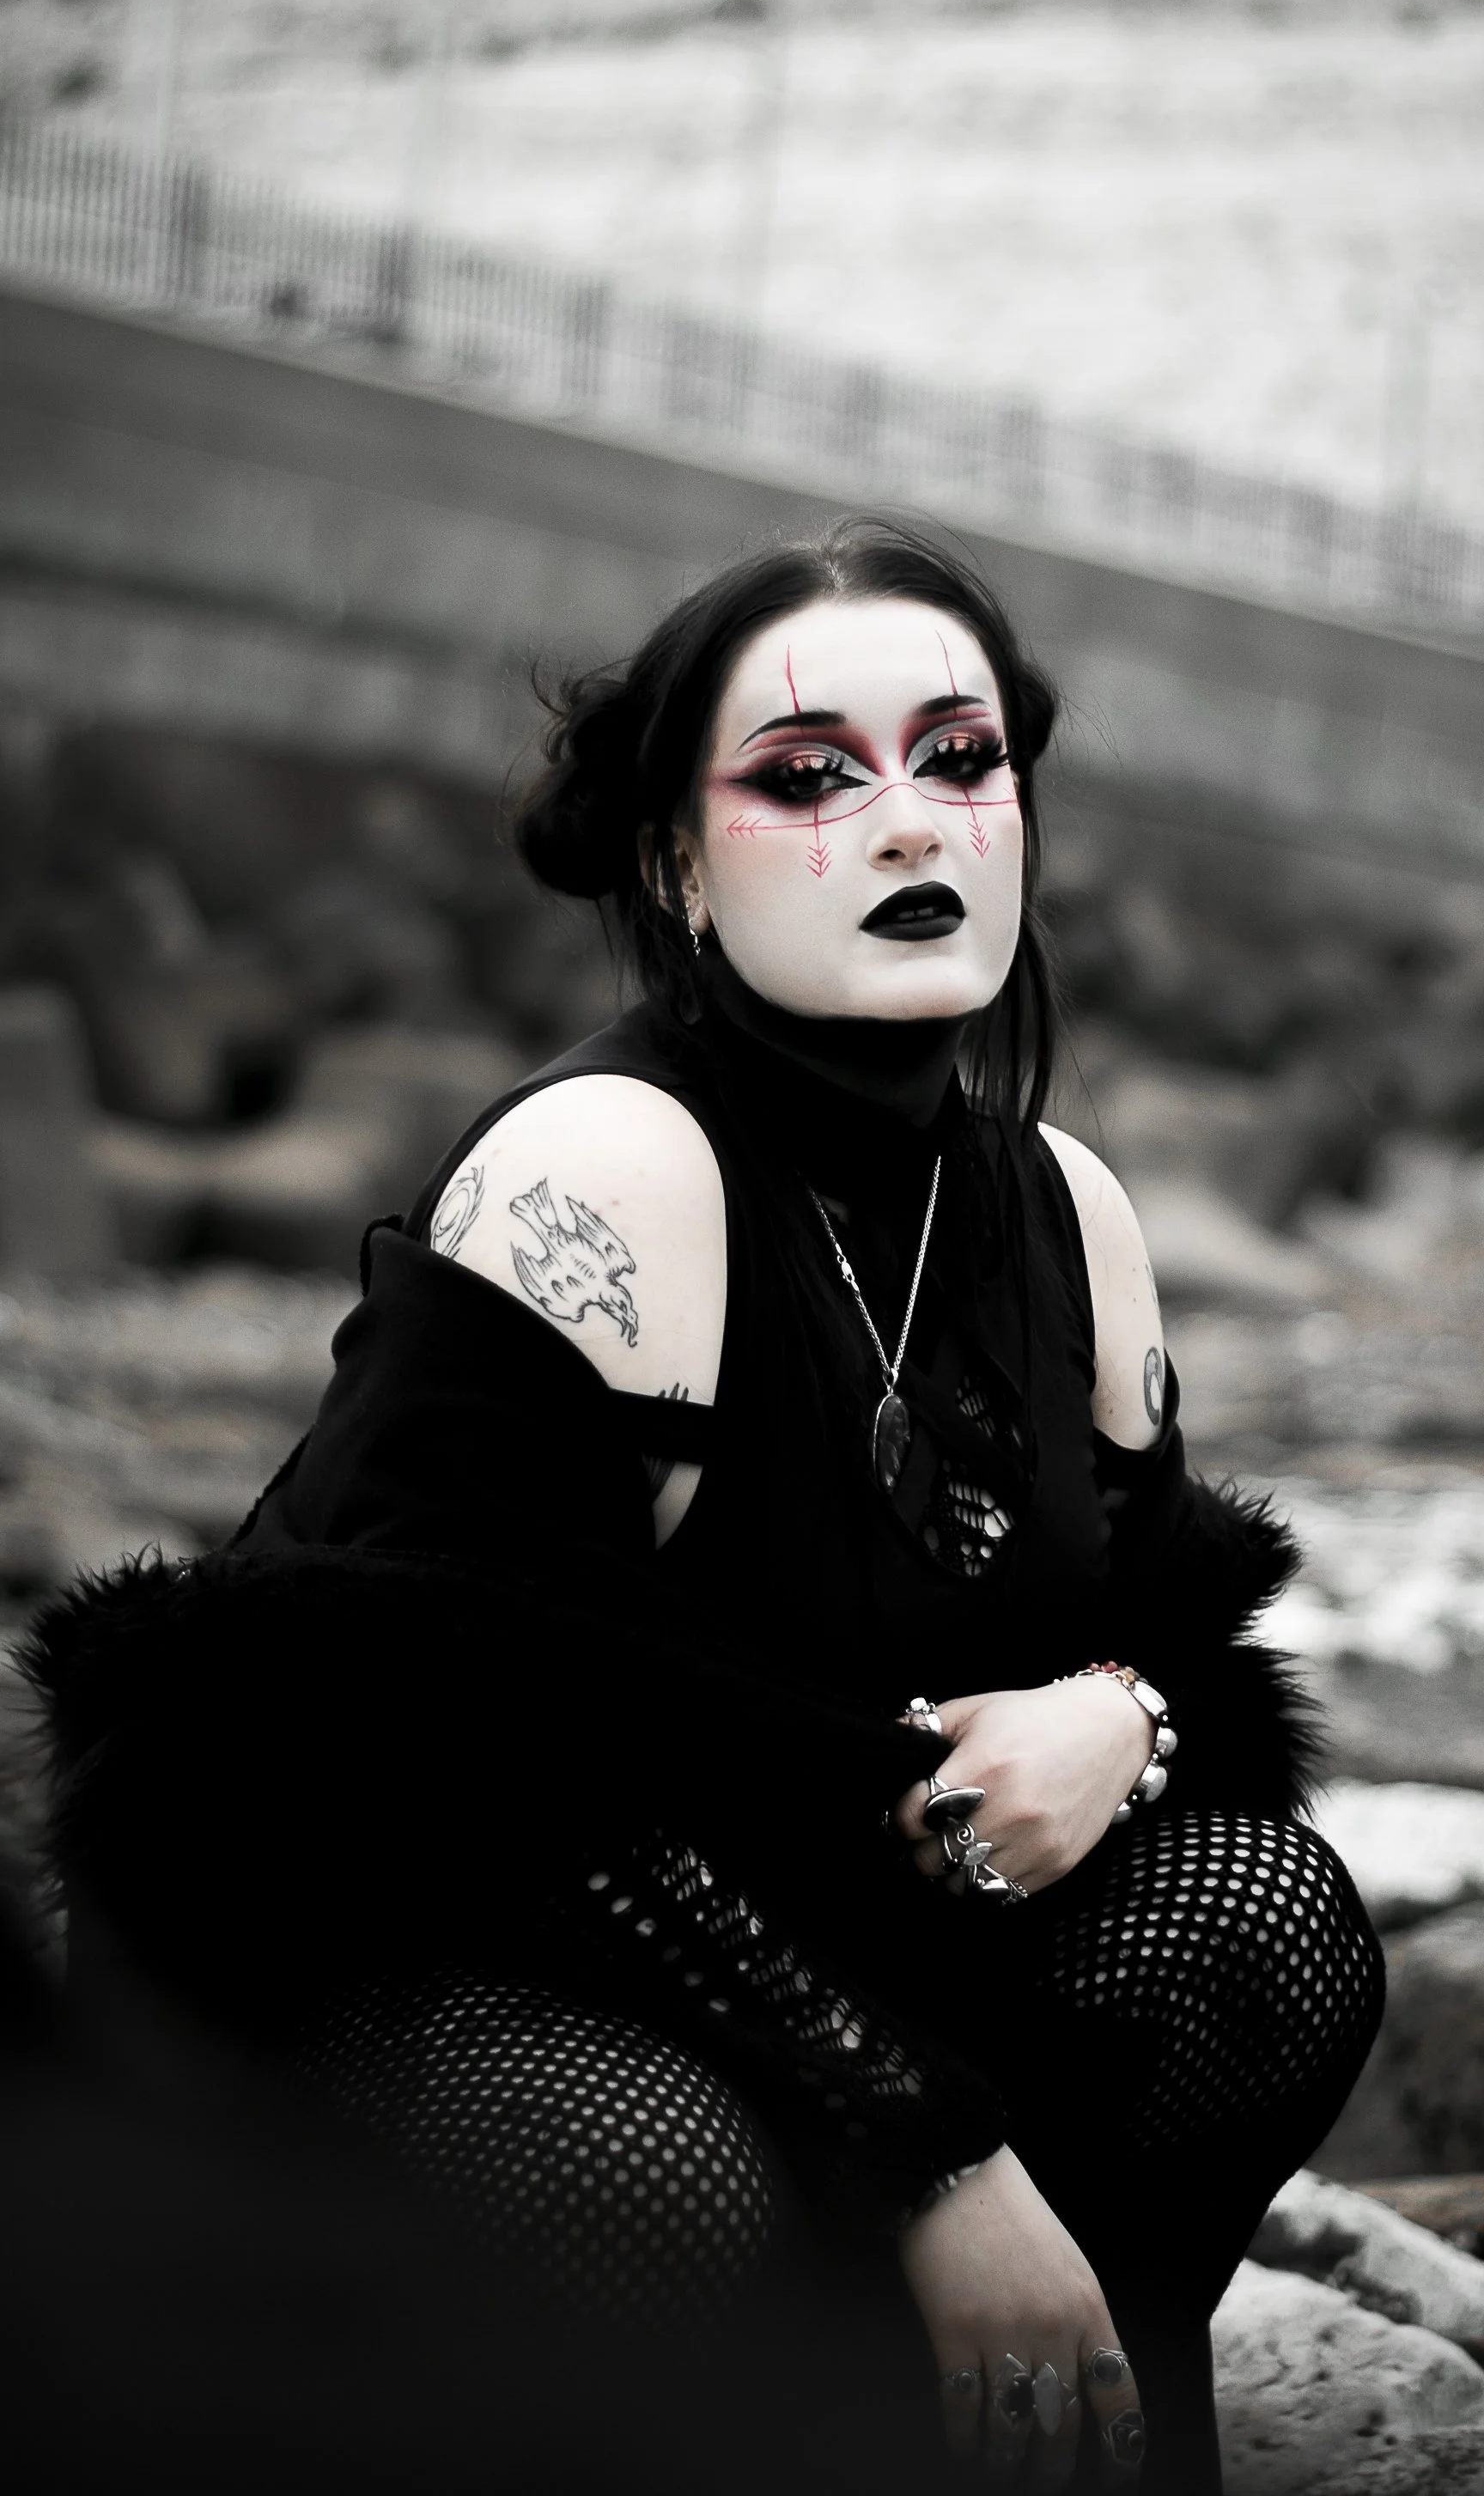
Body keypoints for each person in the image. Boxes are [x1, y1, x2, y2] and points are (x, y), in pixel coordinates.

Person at [27, 516, 1383, 2492]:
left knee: (1268, 1923)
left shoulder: (1067, 1212)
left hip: (802, 1932)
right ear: (675, 861)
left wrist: (1125, 1711)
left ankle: (1023, 2436)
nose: (906, 821)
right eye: (808, 777)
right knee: (650, 2169)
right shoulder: (613, 1166)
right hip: (410, 1945)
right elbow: (456, 1749)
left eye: (960, 758)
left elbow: (1166, 1625)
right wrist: (929, 2148)